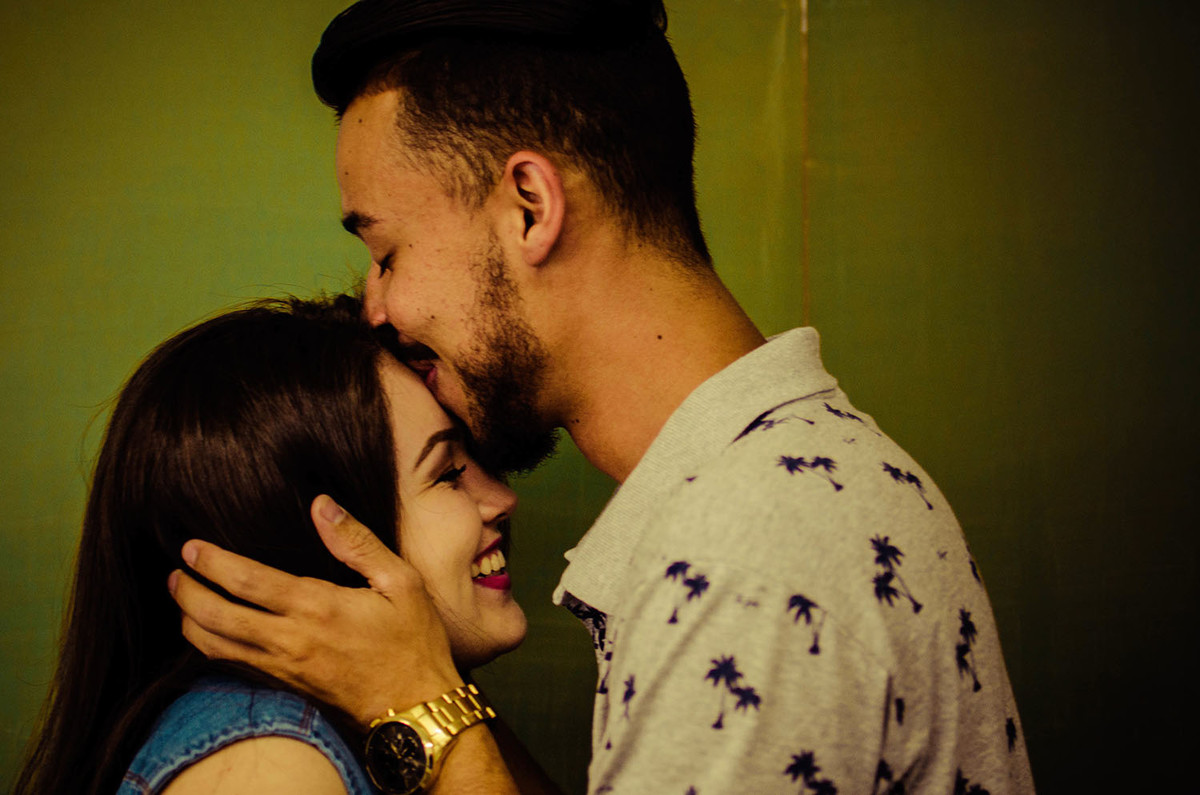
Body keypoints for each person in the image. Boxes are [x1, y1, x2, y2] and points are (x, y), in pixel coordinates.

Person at [171, 2, 1036, 793]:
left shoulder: (744, 553)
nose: (377, 308)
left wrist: (419, 703)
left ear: (529, 207)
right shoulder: (797, 484)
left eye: (387, 252)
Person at [13, 294, 545, 795]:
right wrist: (428, 701)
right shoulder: (271, 769)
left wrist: (429, 693)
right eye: (448, 473)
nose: (502, 498)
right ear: (317, 542)